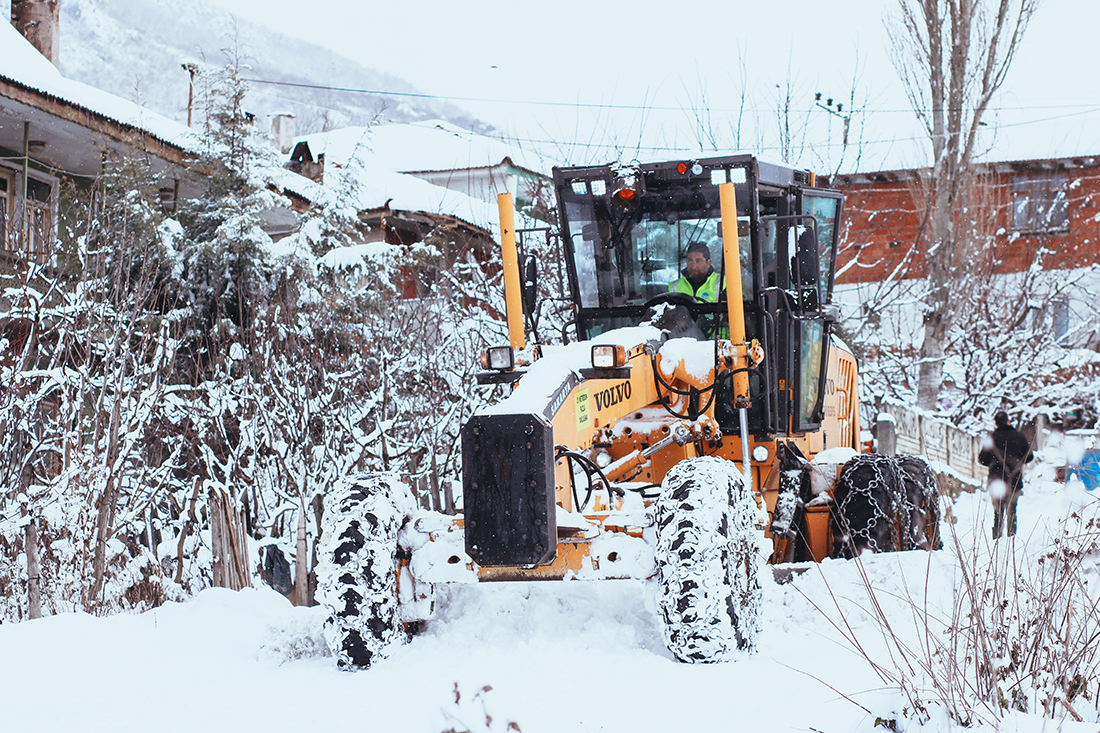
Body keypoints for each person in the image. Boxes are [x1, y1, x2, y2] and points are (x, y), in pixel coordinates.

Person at [978, 410, 1034, 539]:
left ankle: (996, 538)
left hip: (996, 480)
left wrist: (995, 463)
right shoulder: (1020, 437)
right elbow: (1029, 457)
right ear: (1008, 421)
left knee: (997, 512)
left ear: (996, 423)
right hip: (1014, 478)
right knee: (1012, 510)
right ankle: (1011, 538)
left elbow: (982, 459)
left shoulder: (991, 438)